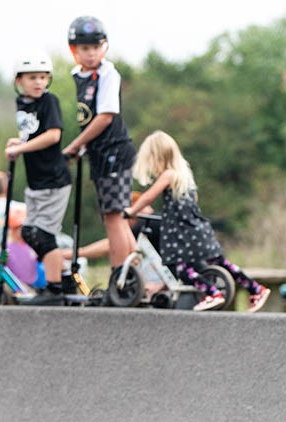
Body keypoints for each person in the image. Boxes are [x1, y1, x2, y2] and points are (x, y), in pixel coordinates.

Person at [128, 131, 271, 313]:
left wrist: (131, 210)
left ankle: (212, 293)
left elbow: (148, 196)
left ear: (158, 157)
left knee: (180, 268)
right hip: (198, 228)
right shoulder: (185, 176)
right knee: (220, 263)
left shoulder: (169, 175)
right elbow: (194, 199)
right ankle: (255, 288)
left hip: (182, 232)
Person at [60, 16, 138, 299]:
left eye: (96, 47)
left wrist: (74, 145)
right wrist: (83, 148)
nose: (91, 53)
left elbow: (105, 117)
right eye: (85, 48)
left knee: (113, 218)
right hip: (100, 154)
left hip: (114, 152)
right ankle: (133, 272)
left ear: (104, 47)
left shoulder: (107, 74)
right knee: (113, 217)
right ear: (74, 50)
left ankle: (120, 277)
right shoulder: (79, 76)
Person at [6, 55, 72, 306]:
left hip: (53, 180)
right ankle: (63, 276)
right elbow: (32, 132)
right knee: (28, 232)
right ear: (19, 81)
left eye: (43, 77)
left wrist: (21, 149)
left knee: (44, 235)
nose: (39, 82)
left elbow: (53, 135)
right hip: (36, 181)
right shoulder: (22, 103)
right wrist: (19, 142)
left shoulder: (49, 101)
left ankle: (54, 290)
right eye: (33, 77)